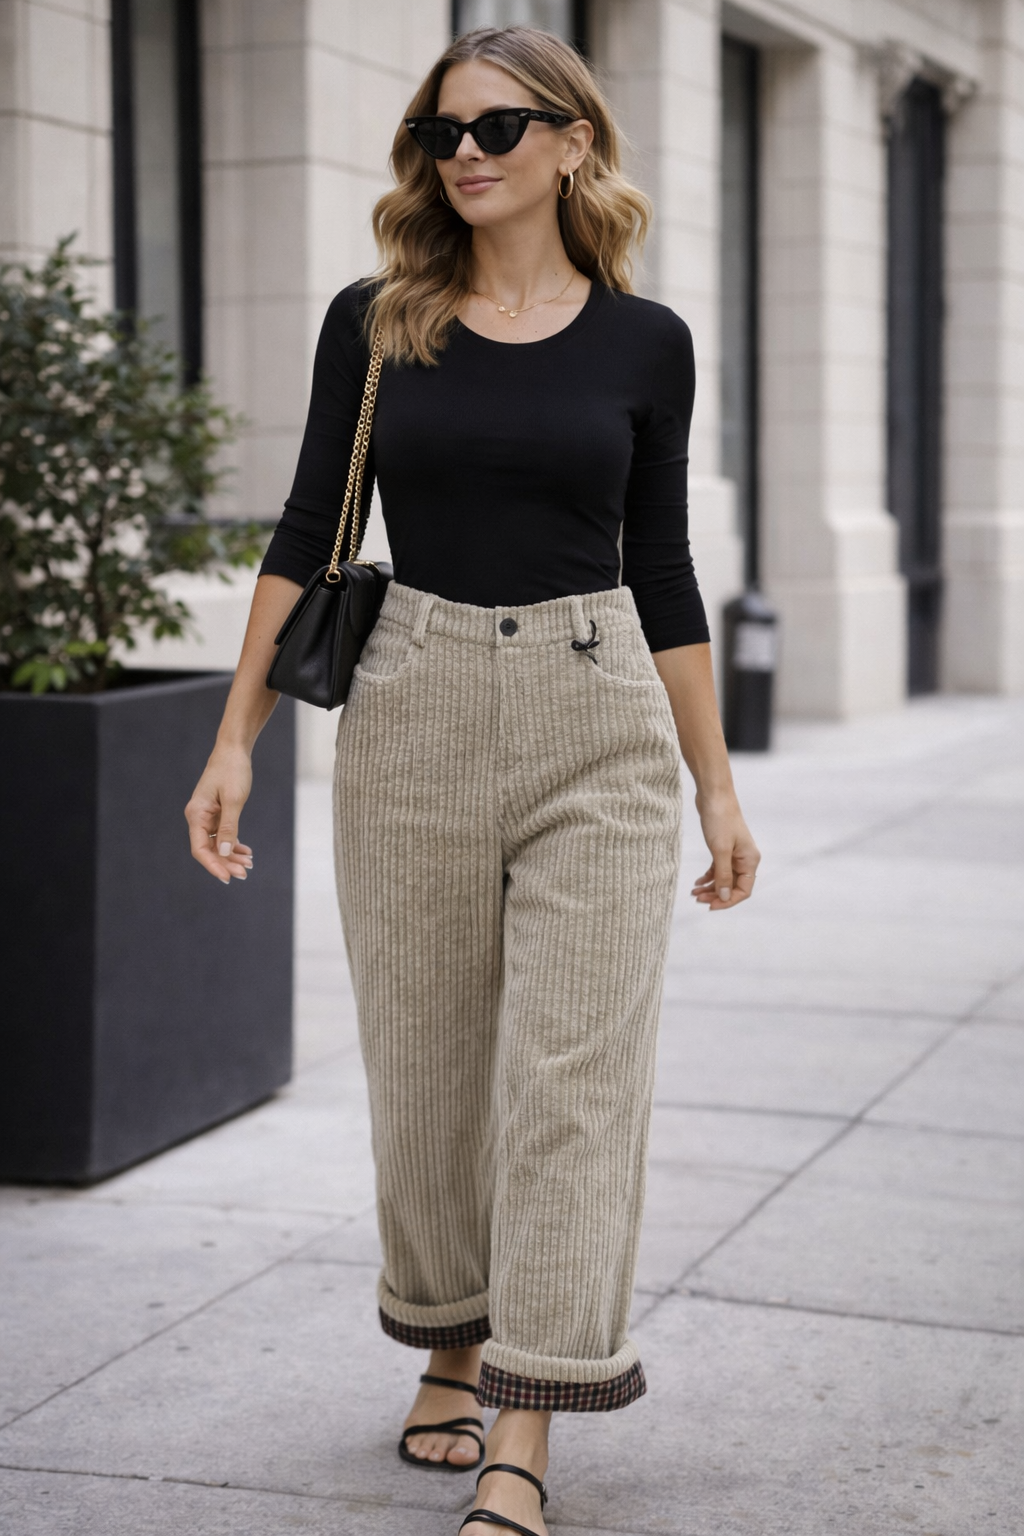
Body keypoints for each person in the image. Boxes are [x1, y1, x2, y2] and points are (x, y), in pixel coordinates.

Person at [185, 25, 760, 1536]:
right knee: (431, 1068)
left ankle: (529, 1423)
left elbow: (662, 566)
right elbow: (309, 529)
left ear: (576, 141)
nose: (469, 153)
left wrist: (715, 785)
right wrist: (233, 735)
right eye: (446, 131)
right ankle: (445, 1342)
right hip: (415, 702)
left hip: (597, 711)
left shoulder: (649, 344)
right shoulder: (377, 321)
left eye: (503, 125)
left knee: (574, 1079)